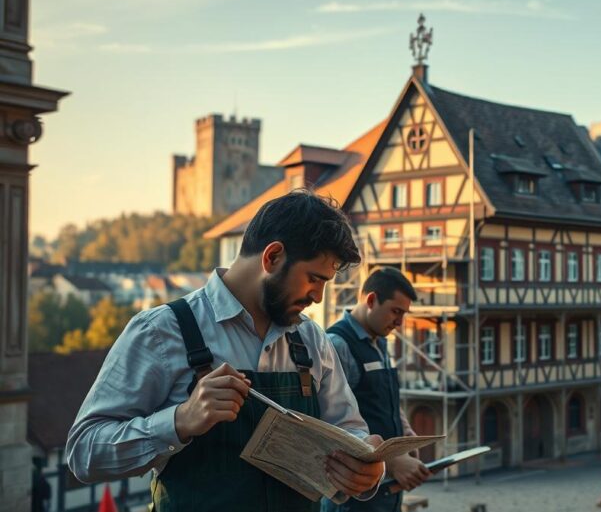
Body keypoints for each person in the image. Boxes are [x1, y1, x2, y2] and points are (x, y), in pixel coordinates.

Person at [67, 191, 385, 512]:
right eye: (314, 278)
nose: (318, 296)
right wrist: (180, 421)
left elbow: (350, 430)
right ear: (272, 257)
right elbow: (84, 453)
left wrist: (368, 468)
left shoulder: (312, 339)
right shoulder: (162, 331)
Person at [322, 267, 430, 512]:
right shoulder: (336, 345)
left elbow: (384, 395)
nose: (400, 323)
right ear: (371, 300)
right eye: (396, 311)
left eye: (404, 314)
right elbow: (332, 426)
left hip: (385, 492)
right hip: (353, 498)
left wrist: (404, 429)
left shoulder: (380, 342)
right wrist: (392, 462)